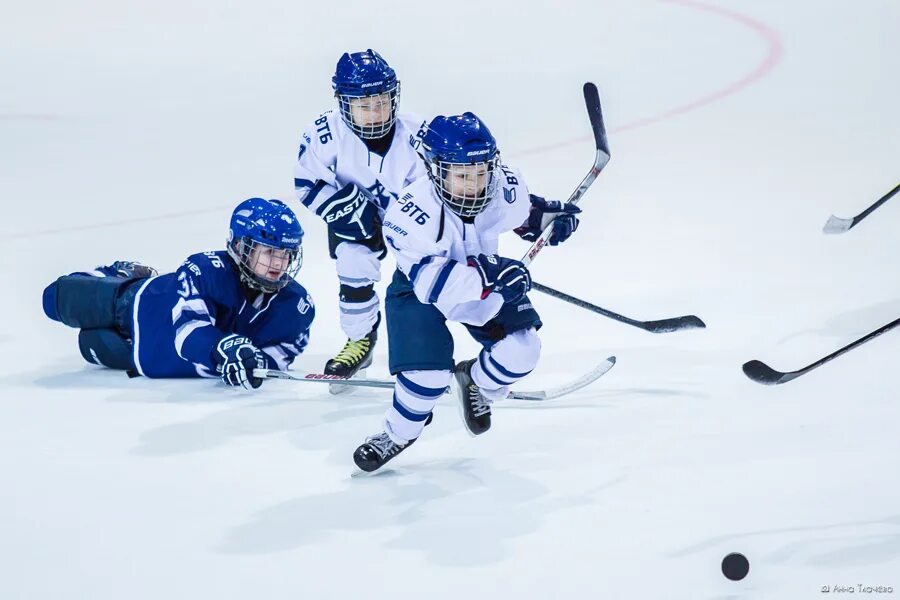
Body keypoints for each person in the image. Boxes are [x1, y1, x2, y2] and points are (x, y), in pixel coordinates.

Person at [353, 112, 581, 471]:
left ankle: (474, 381)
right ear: (435, 169)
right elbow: (432, 283)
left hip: (486, 279)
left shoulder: (499, 184)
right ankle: (397, 434)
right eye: (462, 176)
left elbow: (520, 213)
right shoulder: (408, 212)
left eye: (481, 173)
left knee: (523, 351)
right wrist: (494, 273)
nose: (475, 184)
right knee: (425, 381)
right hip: (419, 292)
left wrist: (548, 222)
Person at [42, 198, 314, 389]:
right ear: (242, 246)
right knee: (54, 299)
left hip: (146, 358)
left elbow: (277, 359)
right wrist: (223, 349)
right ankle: (125, 274)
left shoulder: (297, 306)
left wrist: (251, 362)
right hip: (134, 304)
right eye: (269, 252)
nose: (279, 263)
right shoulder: (205, 270)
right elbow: (187, 334)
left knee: (90, 345)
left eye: (286, 254)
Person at [293, 49, 427, 382]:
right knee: (352, 260)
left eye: (382, 102)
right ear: (344, 103)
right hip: (357, 222)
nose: (376, 112)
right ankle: (360, 338)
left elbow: (449, 184)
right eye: (364, 106)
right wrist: (342, 209)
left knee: (428, 283)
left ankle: (441, 345)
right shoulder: (325, 133)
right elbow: (307, 183)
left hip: (413, 224)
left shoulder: (417, 134)